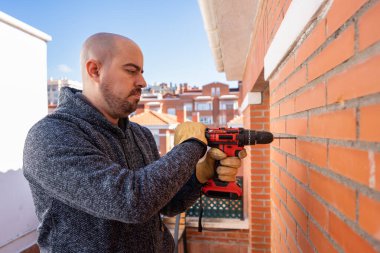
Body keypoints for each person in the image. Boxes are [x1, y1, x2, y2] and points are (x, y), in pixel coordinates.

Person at [23, 32, 246, 253]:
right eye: (131, 71)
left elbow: (165, 204)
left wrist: (200, 174)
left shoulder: (140, 134)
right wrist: (192, 144)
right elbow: (130, 203)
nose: (143, 82)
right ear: (95, 70)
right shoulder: (50, 135)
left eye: (141, 72)